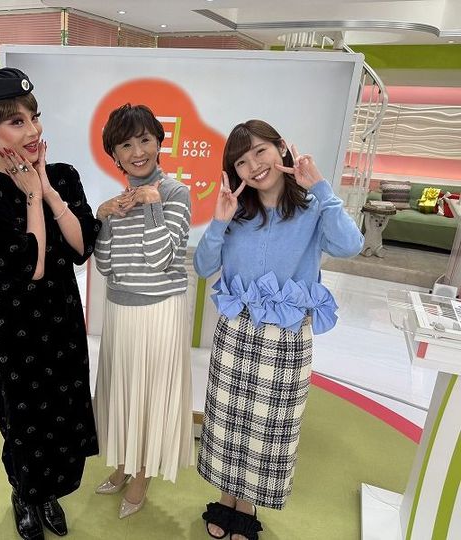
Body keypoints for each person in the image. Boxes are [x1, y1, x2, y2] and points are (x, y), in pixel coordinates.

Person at [193, 119, 363, 540]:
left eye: (260, 151)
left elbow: (350, 245)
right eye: (241, 161)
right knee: (228, 421)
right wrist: (218, 222)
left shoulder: (313, 206)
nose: (253, 165)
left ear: (281, 148)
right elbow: (203, 266)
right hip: (236, 332)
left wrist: (321, 187)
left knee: (269, 429)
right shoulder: (236, 212)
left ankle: (247, 505)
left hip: (287, 337)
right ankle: (226, 497)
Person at [0, 68, 101, 540]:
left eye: (34, 117)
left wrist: (48, 190)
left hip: (61, 315)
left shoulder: (64, 175)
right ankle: (24, 493)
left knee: (63, 406)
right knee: (23, 415)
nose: (34, 130)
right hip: (15, 322)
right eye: (17, 122)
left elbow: (81, 247)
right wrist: (31, 198)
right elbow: (30, 266)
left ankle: (50, 493)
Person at [93, 103, 194, 519]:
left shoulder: (175, 193)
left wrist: (152, 204)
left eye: (145, 140)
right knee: (122, 393)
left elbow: (160, 258)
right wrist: (103, 218)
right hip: (120, 311)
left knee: (151, 398)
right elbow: (105, 266)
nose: (138, 152)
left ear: (158, 142)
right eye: (126, 145)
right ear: (115, 155)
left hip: (159, 312)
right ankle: (122, 465)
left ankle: (141, 477)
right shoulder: (117, 202)